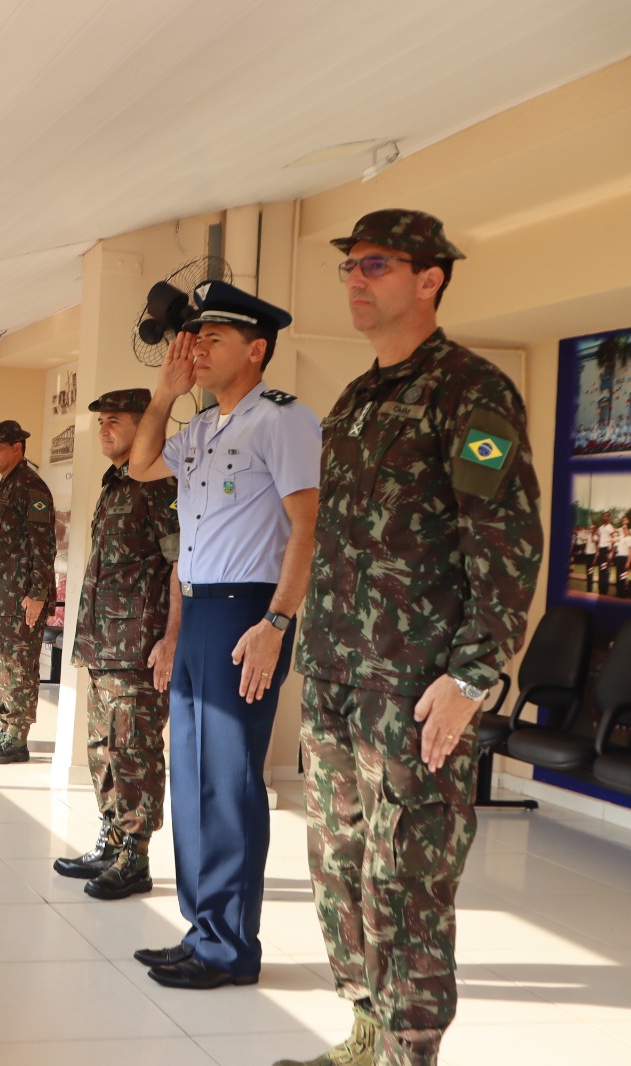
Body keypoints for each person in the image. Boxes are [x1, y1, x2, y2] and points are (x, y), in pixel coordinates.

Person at [278, 210, 543, 1066]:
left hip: (414, 690)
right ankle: (362, 1034)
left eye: (376, 265)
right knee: (340, 868)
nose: (355, 279)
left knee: (408, 883)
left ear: (429, 278)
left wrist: (472, 678)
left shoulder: (474, 392)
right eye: (349, 266)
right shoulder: (357, 400)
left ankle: (407, 1055)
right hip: (336, 681)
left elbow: (504, 541)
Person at [125, 280, 321, 991]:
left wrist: (277, 621)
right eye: (195, 337)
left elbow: (307, 525)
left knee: (231, 781)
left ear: (257, 349)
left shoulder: (284, 419)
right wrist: (164, 393)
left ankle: (231, 946)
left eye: (214, 338)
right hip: (202, 610)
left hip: (248, 613)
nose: (197, 347)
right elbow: (140, 464)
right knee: (194, 775)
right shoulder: (202, 429)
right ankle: (203, 928)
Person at [56, 389, 180, 899]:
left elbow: (181, 562)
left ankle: (136, 855)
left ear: (142, 424)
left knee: (134, 751)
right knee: (102, 750)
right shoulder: (114, 483)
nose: (104, 430)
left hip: (139, 647)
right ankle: (110, 840)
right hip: (104, 645)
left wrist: (172, 637)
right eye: (100, 422)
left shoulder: (159, 483)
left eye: (114, 421)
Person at [0, 420, 55, 765]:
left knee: (19, 668)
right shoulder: (7, 485)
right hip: (0, 597)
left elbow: (44, 545)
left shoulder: (32, 487)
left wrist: (38, 594)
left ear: (18, 447)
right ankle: (4, 731)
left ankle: (17, 739)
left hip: (21, 599)